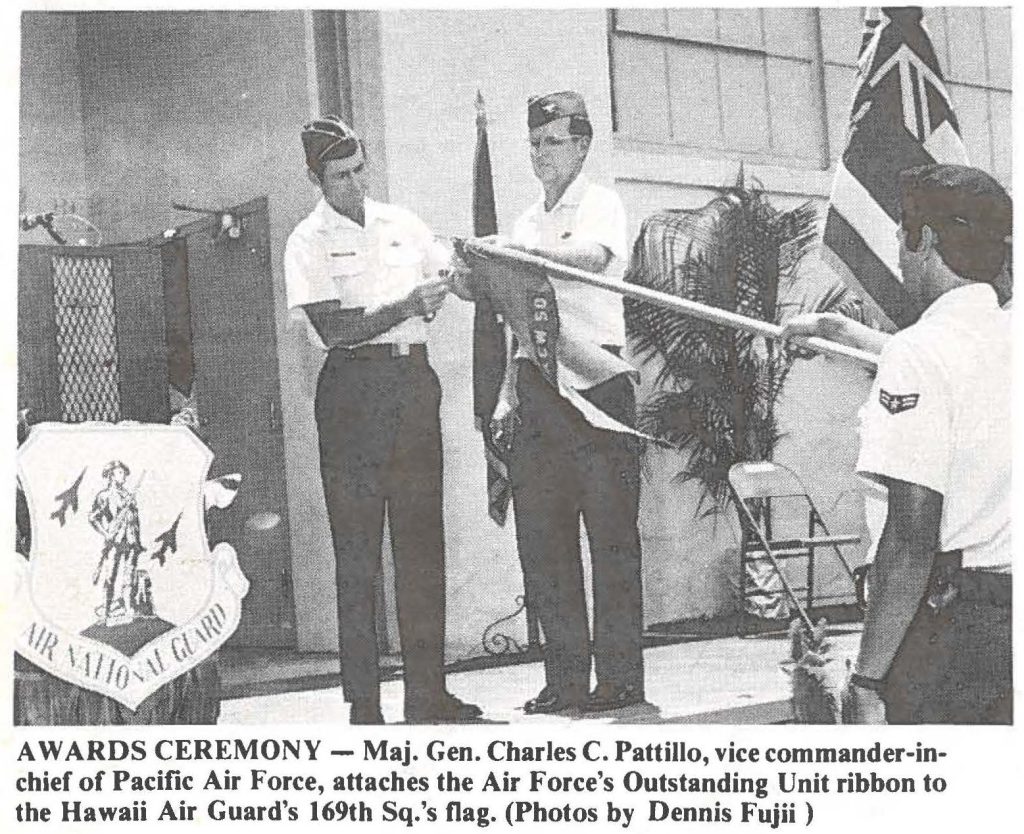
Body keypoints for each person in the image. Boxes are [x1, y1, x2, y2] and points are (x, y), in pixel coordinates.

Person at [784, 164, 1012, 724]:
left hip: (954, 631)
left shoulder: (919, 353)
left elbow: (912, 537)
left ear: (925, 240)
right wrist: (844, 333)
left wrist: (868, 677)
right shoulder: (1002, 333)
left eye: (900, 234)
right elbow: (960, 366)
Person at [284, 115, 481, 725]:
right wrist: (404, 304)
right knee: (358, 548)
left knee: (422, 540)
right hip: (352, 391)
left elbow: (458, 281)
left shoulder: (403, 223)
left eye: (360, 169)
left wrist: (473, 268)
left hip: (412, 386)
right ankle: (364, 702)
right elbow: (333, 328)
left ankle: (428, 693)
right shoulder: (308, 240)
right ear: (316, 178)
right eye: (340, 176)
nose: (354, 184)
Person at [483, 91, 644, 714]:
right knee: (544, 541)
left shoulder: (600, 203)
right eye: (533, 143)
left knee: (610, 538)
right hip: (537, 390)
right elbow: (513, 322)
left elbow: (592, 260)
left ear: (581, 145)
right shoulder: (526, 220)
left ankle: (622, 680)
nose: (539, 154)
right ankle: (566, 678)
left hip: (598, 384)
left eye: (551, 142)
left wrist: (524, 255)